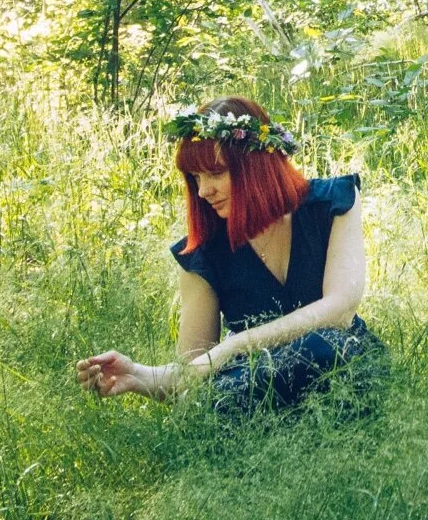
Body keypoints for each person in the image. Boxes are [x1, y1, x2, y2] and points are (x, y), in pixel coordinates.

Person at [76, 96, 381, 410]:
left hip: (344, 369)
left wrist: (235, 345)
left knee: (323, 347)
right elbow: (192, 377)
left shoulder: (332, 203)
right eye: (195, 178)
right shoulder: (203, 254)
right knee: (209, 402)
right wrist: (138, 376)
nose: (203, 191)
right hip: (263, 392)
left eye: (216, 173)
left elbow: (341, 309)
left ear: (256, 165)